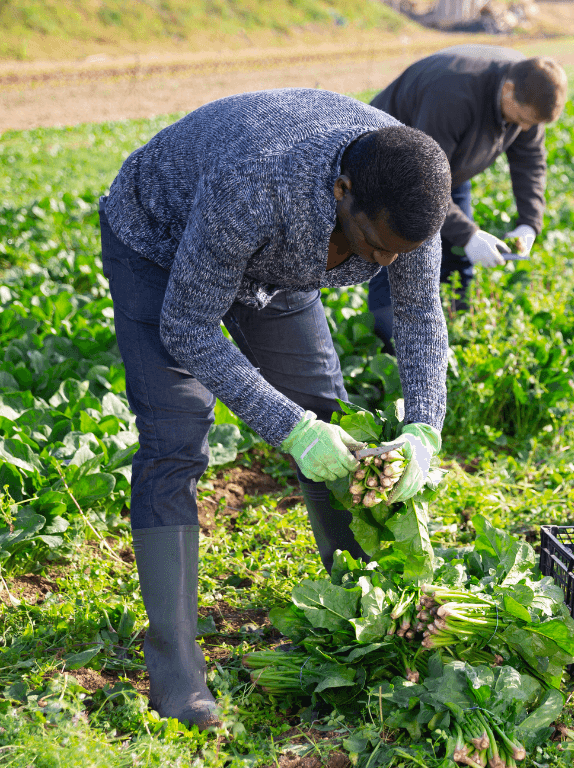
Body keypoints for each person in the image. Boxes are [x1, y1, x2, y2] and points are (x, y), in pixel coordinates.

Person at [98, 88, 452, 729]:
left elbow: (421, 321)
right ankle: (176, 670)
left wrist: (424, 426)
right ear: (343, 190)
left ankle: (365, 615)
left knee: (326, 409)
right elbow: (188, 327)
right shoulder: (256, 184)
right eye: (376, 247)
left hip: (276, 266)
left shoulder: (409, 195)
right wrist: (289, 430)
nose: (386, 262)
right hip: (161, 243)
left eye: (400, 250)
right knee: (175, 439)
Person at [365, 44, 568, 350]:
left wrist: (529, 223)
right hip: (391, 167)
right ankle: (389, 352)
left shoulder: (528, 93)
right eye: (522, 119)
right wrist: (469, 234)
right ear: (508, 90)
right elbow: (420, 181)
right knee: (396, 258)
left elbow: (529, 161)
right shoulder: (452, 95)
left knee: (456, 262)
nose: (524, 129)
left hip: (448, 167)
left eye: (532, 125)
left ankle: (451, 338)